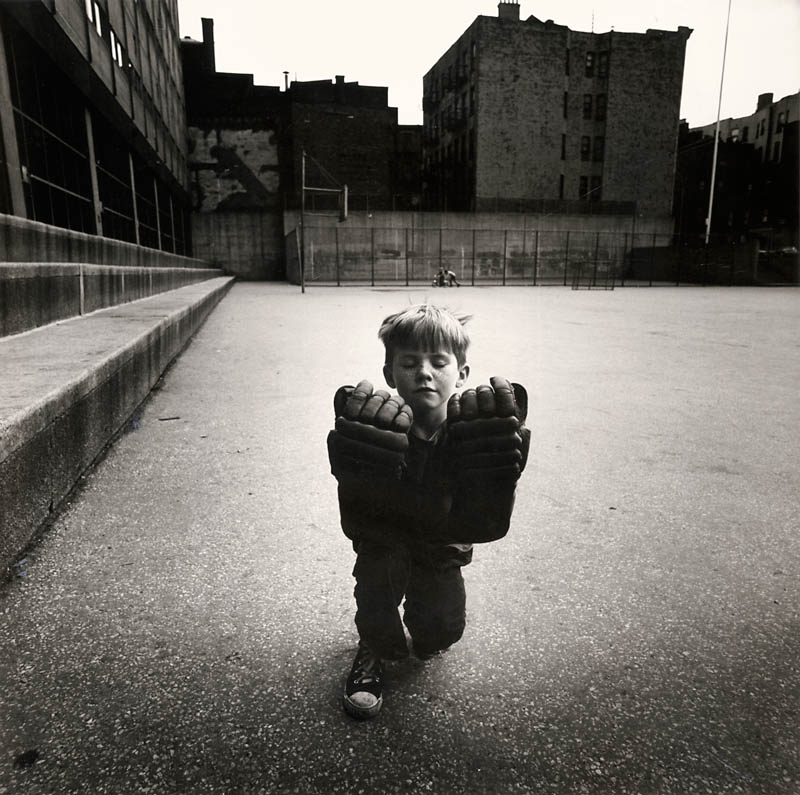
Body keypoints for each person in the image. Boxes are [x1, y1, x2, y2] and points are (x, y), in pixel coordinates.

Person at [327, 304, 530, 719]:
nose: (425, 373)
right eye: (409, 362)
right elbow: (357, 518)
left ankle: (419, 627)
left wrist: (497, 480)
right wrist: (356, 471)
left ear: (463, 373)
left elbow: (484, 522)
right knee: (378, 611)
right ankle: (372, 649)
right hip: (384, 542)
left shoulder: (479, 430)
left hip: (441, 545)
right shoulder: (372, 425)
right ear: (389, 374)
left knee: (439, 634)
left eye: (439, 362)